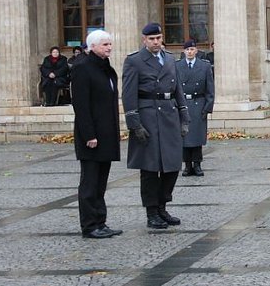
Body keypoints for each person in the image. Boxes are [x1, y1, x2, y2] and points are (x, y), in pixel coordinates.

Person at [122, 22, 190, 229]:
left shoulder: (169, 58)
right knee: (150, 168)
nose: (156, 42)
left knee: (172, 166)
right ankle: (152, 211)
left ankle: (163, 206)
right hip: (148, 116)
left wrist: (184, 116)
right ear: (144, 40)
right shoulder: (134, 61)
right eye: (151, 39)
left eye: (159, 38)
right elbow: (128, 94)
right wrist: (135, 124)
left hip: (169, 116)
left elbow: (177, 88)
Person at [70, 30, 122, 239]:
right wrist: (89, 134)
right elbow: (81, 105)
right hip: (91, 137)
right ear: (92, 46)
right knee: (90, 183)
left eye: (110, 44)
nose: (109, 47)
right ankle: (90, 225)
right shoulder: (83, 67)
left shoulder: (105, 67)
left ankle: (101, 221)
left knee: (101, 183)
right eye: (105, 44)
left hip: (106, 134)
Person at [176, 40, 214, 177]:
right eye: (187, 50)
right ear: (184, 51)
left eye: (192, 49)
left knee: (197, 137)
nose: (190, 52)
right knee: (184, 137)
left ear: (196, 51)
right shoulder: (177, 66)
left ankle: (197, 164)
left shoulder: (204, 66)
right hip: (183, 103)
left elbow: (210, 88)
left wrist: (208, 107)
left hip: (199, 103)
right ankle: (187, 165)